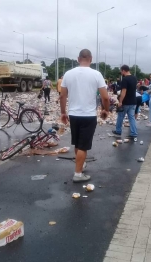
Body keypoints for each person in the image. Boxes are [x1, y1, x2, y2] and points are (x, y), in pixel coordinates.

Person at [60, 49, 109, 183]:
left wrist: (63, 112)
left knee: (77, 142)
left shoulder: (68, 74)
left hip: (74, 114)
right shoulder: (96, 74)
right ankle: (78, 174)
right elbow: (105, 97)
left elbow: (62, 95)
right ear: (91, 59)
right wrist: (106, 110)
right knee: (83, 146)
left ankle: (80, 165)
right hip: (88, 115)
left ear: (78, 58)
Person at [112, 65, 138, 138]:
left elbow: (123, 92)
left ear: (123, 70)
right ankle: (134, 133)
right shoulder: (134, 78)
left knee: (120, 116)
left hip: (126, 101)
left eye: (121, 71)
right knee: (131, 118)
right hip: (133, 101)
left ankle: (118, 131)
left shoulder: (125, 79)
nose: (121, 72)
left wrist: (120, 101)